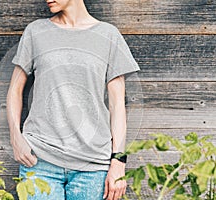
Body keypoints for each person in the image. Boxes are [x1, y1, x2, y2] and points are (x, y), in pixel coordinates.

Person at [7, 0, 140, 199]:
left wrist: (118, 162)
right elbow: (14, 90)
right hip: (40, 161)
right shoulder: (36, 32)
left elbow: (117, 105)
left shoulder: (108, 35)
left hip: (93, 166)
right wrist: (16, 138)